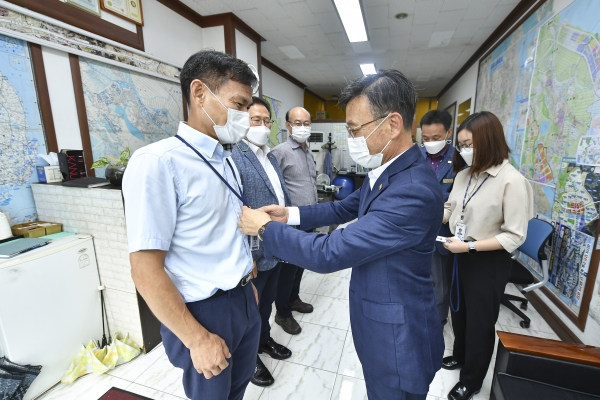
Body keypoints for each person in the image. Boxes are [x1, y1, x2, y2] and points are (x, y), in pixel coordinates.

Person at [238, 69, 444, 400]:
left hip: (399, 340)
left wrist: (263, 228)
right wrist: (288, 214)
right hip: (379, 322)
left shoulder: (413, 189)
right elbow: (342, 208)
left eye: (354, 129)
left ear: (391, 124)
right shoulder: (388, 170)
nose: (351, 138)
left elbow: (329, 252)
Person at [122, 50, 261, 400]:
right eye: (239, 105)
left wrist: (246, 275)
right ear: (199, 93)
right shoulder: (158, 162)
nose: (245, 117)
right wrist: (196, 339)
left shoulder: (225, 159)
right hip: (204, 313)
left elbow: (220, 229)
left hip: (242, 299)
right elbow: (144, 269)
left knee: (237, 391)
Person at [441, 111, 533, 400]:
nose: (464, 151)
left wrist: (469, 246)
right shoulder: (465, 174)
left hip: (487, 260)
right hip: (459, 252)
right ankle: (460, 356)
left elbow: (514, 235)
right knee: (459, 312)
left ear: (488, 141)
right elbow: (452, 207)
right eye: (461, 145)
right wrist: (433, 216)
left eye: (468, 144)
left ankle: (472, 378)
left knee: (480, 322)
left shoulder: (511, 181)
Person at [231, 96, 293, 387]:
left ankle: (264, 341)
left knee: (266, 303)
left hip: (276, 246)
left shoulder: (269, 156)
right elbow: (236, 212)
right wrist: (247, 257)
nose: (263, 126)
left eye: (267, 121)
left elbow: (281, 196)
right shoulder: (235, 158)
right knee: (250, 309)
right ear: (243, 121)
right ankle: (249, 357)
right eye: (256, 120)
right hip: (255, 252)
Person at [269, 106, 317, 335]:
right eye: (298, 123)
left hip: (309, 219)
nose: (303, 127)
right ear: (288, 126)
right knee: (287, 270)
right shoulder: (280, 152)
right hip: (291, 221)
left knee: (301, 265)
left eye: (307, 123)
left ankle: (293, 299)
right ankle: (282, 313)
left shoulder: (308, 151)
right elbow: (272, 187)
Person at [420, 110, 457, 325]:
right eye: (426, 138)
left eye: (436, 138)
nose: (430, 143)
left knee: (439, 282)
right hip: (415, 232)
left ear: (448, 133)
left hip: (441, 234)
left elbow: (457, 201)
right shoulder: (416, 156)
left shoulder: (460, 161)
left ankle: (437, 321)